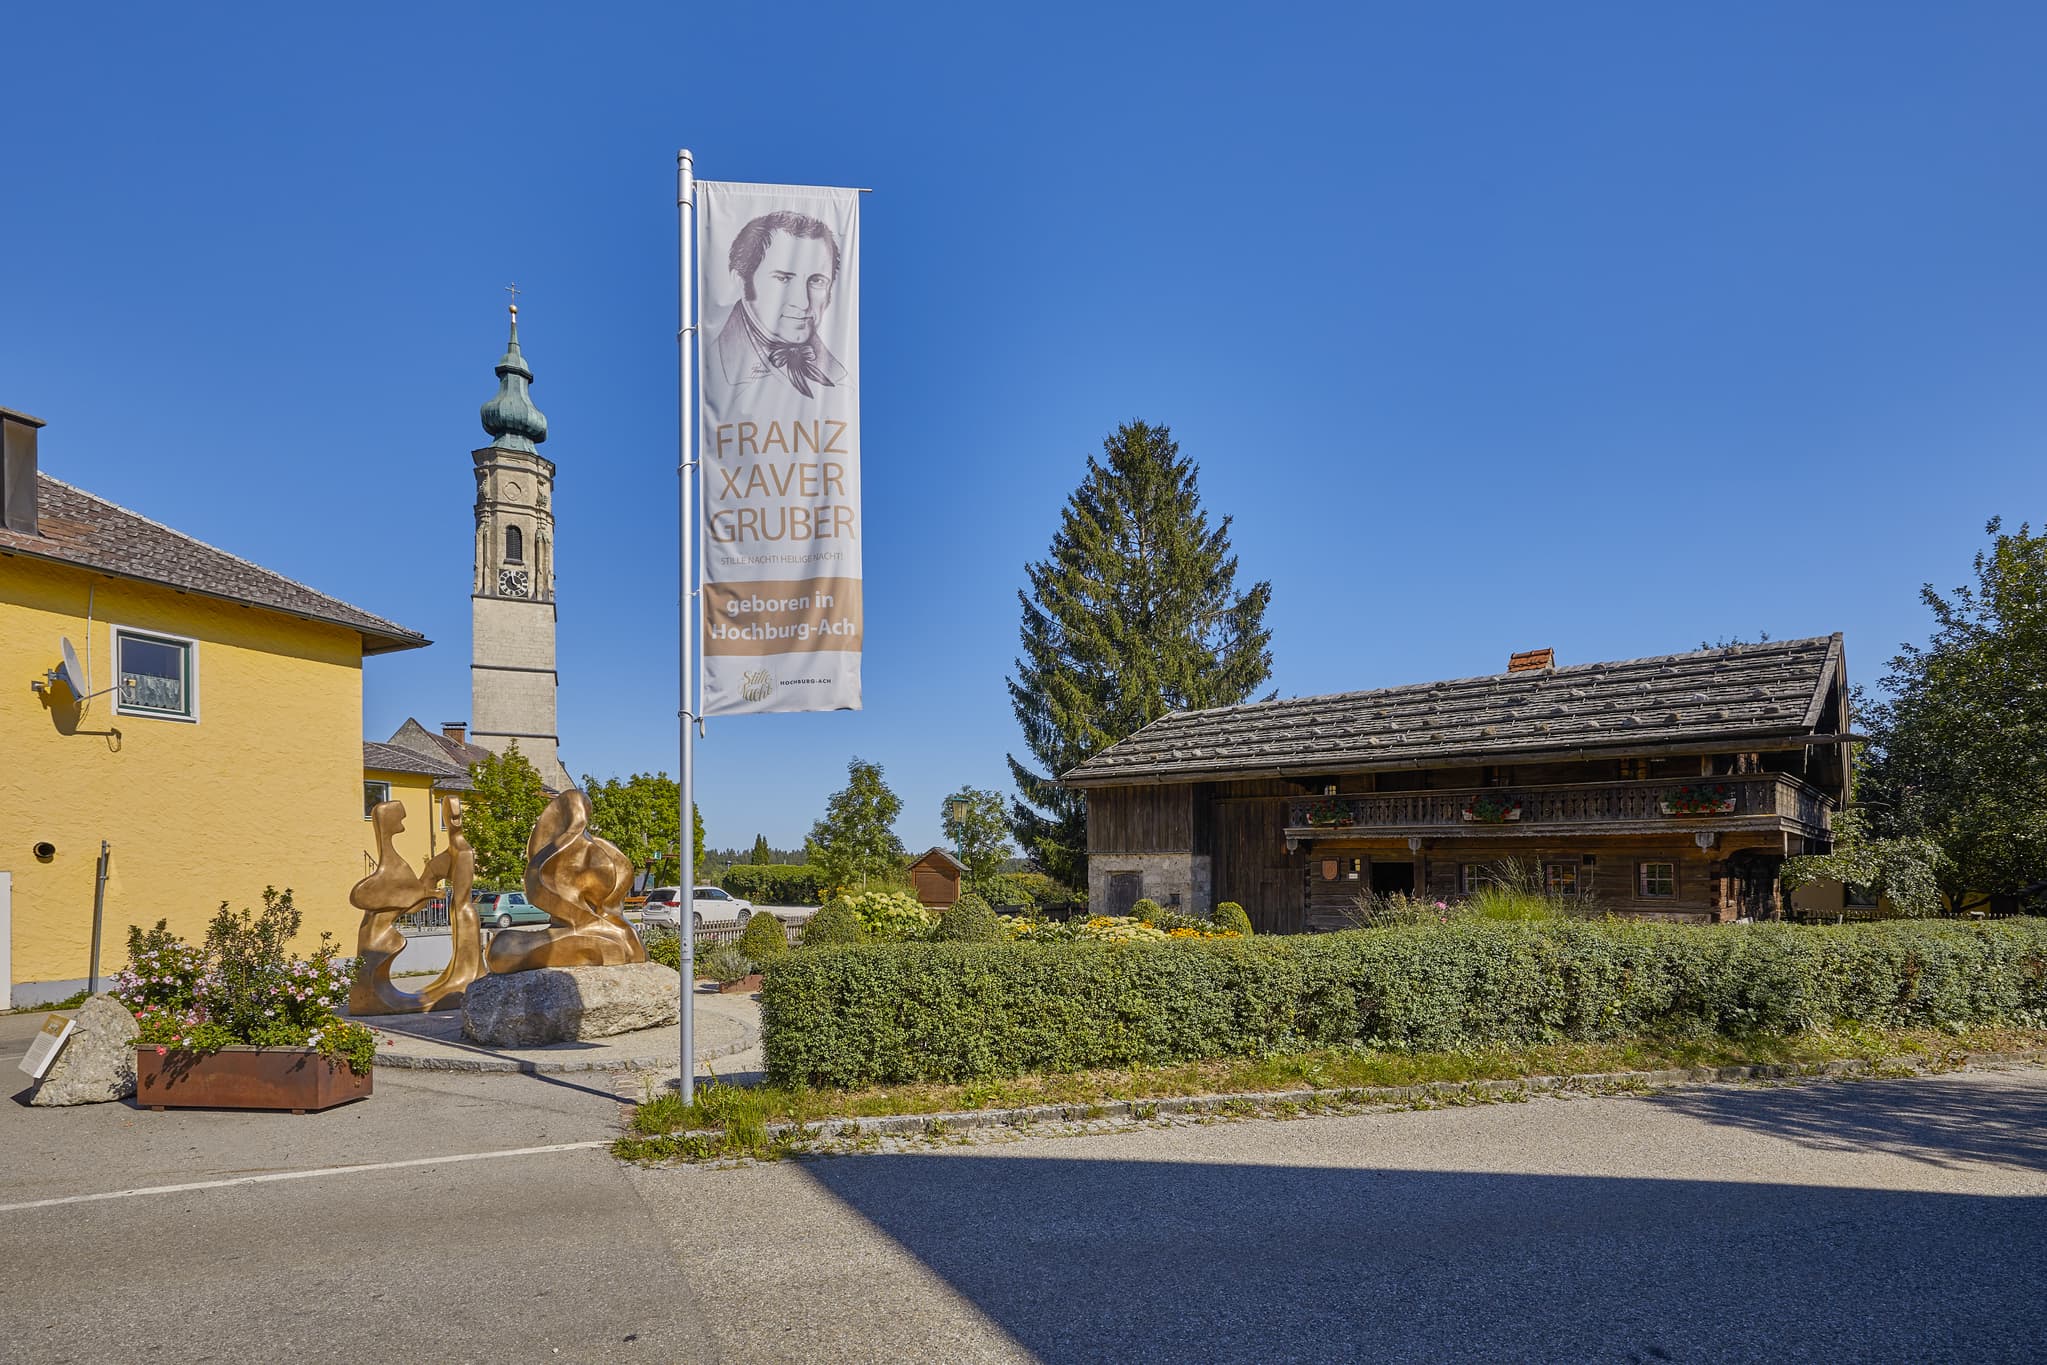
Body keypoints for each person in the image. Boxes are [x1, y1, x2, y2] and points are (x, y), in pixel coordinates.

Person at [708, 210, 847, 399]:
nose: (803, 303)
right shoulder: (712, 371)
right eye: (783, 278)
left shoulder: (844, 383)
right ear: (741, 281)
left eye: (817, 281)